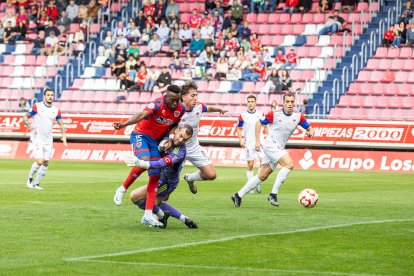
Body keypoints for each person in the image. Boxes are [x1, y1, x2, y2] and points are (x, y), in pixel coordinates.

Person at [112, 85, 185, 227]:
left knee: (155, 174)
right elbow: (141, 115)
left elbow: (174, 125)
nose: (175, 103)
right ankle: (122, 188)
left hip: (155, 141)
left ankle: (147, 215)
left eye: (177, 100)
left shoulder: (180, 109)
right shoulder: (157, 104)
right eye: (172, 100)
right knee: (143, 161)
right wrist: (124, 124)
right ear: (165, 96)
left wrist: (170, 137)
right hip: (141, 135)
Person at [231, 94, 315, 208]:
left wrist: (310, 132)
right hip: (270, 144)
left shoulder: (298, 116)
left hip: (278, 147)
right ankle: (273, 194)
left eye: (292, 102)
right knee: (289, 164)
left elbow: (310, 128)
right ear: (283, 103)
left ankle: (238, 195)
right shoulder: (274, 114)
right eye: (287, 101)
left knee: (262, 176)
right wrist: (256, 142)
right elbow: (258, 123)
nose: (290, 104)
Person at [126, 124, 198, 229]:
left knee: (135, 197)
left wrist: (142, 163)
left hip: (166, 182)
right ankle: (184, 219)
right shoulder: (168, 139)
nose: (180, 140)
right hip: (161, 178)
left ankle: (163, 215)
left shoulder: (179, 152)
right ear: (176, 131)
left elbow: (161, 163)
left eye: (184, 140)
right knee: (157, 204)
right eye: (180, 136)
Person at [180, 81, 228, 194]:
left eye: (196, 95)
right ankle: (156, 207)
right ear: (184, 97)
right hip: (178, 148)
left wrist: (219, 109)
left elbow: (207, 108)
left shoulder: (199, 106)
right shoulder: (176, 110)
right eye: (193, 95)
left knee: (211, 175)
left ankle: (190, 178)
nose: (195, 98)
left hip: (194, 147)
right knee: (170, 182)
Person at [23, 88, 67, 190]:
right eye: (48, 95)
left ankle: (36, 184)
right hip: (37, 137)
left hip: (48, 139)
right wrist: (30, 126)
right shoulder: (37, 107)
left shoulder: (56, 110)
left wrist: (63, 135)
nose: (50, 97)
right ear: (44, 96)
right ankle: (29, 179)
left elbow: (61, 124)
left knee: (46, 162)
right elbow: (25, 117)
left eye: (52, 95)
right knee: (40, 161)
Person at [237, 95, 265, 194]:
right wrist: (240, 140)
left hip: (260, 142)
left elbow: (265, 125)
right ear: (247, 103)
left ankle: (257, 183)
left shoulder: (261, 114)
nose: (250, 103)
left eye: (252, 101)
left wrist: (267, 136)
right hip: (249, 143)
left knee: (263, 164)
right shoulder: (243, 115)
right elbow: (239, 128)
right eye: (248, 101)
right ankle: (250, 186)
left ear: (255, 103)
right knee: (250, 164)